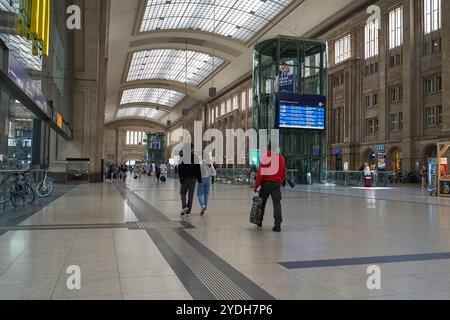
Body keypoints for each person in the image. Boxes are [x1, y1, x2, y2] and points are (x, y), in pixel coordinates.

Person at [254, 144, 286, 232]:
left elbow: (260, 173)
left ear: (268, 147)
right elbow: (283, 171)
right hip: (276, 183)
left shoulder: (265, 157)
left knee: (262, 202)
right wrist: (280, 181)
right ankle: (277, 224)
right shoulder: (281, 158)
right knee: (277, 204)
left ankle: (259, 221)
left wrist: (256, 186)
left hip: (266, 183)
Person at [179, 146, 202, 217]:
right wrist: (199, 178)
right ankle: (188, 212)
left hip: (185, 178)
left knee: (182, 192)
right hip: (193, 179)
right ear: (192, 149)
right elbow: (198, 168)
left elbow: (180, 168)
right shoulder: (196, 157)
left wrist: (181, 178)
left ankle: (184, 207)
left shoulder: (183, 157)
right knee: (190, 195)